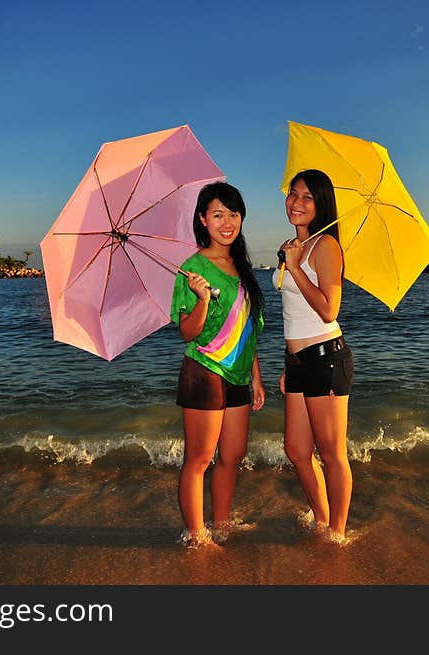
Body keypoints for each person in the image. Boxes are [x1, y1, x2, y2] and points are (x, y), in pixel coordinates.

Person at [170, 181, 265, 546]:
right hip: (204, 371)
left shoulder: (241, 266)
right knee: (200, 458)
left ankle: (221, 523)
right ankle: (196, 535)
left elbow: (248, 328)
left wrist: (256, 377)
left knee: (234, 454)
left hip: (240, 374)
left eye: (234, 214)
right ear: (202, 220)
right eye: (218, 214)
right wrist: (202, 300)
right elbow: (187, 332)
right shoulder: (191, 268)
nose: (227, 222)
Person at [273, 169, 354, 543]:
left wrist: (294, 268)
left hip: (326, 357)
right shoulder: (292, 245)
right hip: (299, 362)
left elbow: (328, 309)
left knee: (332, 453)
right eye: (293, 194)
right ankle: (322, 518)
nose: (297, 202)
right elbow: (292, 314)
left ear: (321, 204)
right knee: (296, 449)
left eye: (307, 196)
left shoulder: (326, 247)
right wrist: (289, 363)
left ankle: (337, 533)